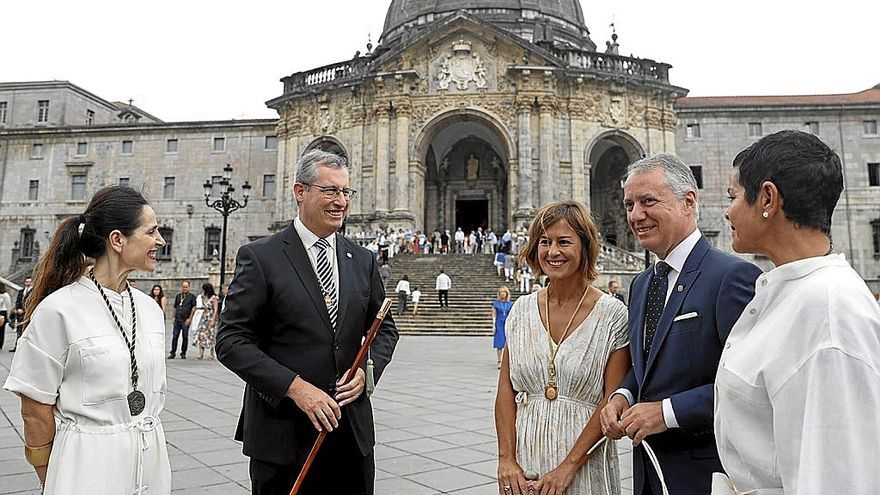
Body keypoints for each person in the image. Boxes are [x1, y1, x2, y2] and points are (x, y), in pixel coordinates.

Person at [215, 149, 398, 495]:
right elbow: (230, 340)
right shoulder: (261, 256)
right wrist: (295, 387)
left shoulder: (362, 259)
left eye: (345, 192)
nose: (341, 201)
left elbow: (385, 328)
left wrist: (366, 374)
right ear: (300, 191)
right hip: (283, 437)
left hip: (350, 435)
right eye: (330, 190)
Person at [713, 130, 880, 493]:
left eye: (734, 196)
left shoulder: (830, 313)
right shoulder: (791, 290)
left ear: (767, 198)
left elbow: (837, 481)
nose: (728, 211)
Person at [599, 153, 762, 495]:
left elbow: (749, 388)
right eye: (629, 204)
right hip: (648, 473)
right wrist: (623, 395)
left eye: (647, 201)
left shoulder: (732, 277)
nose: (635, 215)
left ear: (688, 201)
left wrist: (666, 412)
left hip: (706, 474)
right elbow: (648, 365)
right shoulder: (641, 284)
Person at [2, 186, 170, 494]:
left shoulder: (149, 309)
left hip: (150, 463)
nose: (160, 240)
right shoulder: (59, 310)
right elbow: (33, 408)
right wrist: (52, 474)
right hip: (86, 465)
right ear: (117, 240)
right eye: (151, 231)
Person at [495, 201, 630, 495]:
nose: (552, 252)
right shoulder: (521, 310)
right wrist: (506, 459)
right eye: (544, 242)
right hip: (526, 462)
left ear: (585, 246)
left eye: (564, 242)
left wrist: (568, 467)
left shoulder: (612, 315)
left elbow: (611, 399)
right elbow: (505, 390)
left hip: (584, 461)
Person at [168, 280, 196, 359]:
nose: (184, 288)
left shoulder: (192, 297)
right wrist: (173, 317)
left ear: (189, 287)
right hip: (177, 319)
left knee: (185, 336)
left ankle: (183, 352)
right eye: (183, 287)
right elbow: (174, 307)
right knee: (175, 336)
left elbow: (193, 309)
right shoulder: (178, 296)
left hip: (185, 319)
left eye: (186, 287)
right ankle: (173, 352)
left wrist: (189, 319)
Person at [190, 283, 218, 360]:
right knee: (201, 334)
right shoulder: (202, 297)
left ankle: (211, 353)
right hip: (204, 316)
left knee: (211, 335)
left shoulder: (214, 297)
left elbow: (215, 309)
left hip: (211, 316)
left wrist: (213, 319)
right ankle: (200, 352)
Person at [491, 286, 513, 369]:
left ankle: (507, 361)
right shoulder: (495, 303)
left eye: (504, 292)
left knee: (508, 342)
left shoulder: (510, 304)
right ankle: (499, 360)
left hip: (507, 323)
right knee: (499, 342)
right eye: (501, 293)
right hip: (499, 323)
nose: (503, 294)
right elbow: (494, 314)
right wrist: (493, 325)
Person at [9, 276, 32, 352]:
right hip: (20, 314)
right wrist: (18, 308)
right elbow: (18, 301)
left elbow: (32, 303)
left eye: (29, 282)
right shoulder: (21, 291)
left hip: (27, 314)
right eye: (27, 282)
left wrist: (25, 310)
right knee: (19, 330)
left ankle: (25, 348)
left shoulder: (33, 291)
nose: (28, 283)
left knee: (26, 330)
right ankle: (17, 346)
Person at [0, 283, 10, 351]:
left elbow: (8, 305)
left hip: (2, 312)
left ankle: (0, 344)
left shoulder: (5, 295)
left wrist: (8, 315)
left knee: (1, 330)